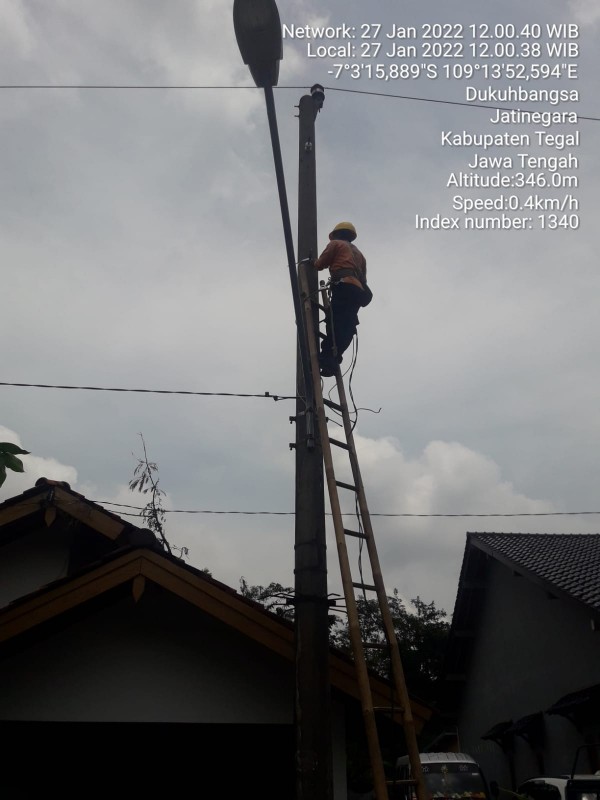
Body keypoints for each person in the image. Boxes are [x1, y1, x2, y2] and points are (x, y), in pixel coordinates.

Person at [312, 221, 369, 377]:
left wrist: (312, 262)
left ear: (336, 234)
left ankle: (328, 357)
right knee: (347, 324)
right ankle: (335, 356)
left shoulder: (335, 244)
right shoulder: (360, 255)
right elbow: (364, 279)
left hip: (343, 286)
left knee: (335, 321)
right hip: (357, 291)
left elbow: (320, 264)